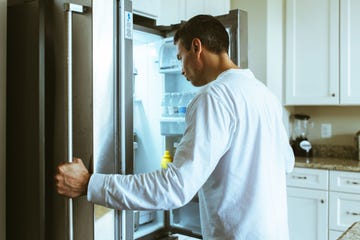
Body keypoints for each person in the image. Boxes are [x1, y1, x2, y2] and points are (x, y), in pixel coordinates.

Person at [55, 14, 295, 240]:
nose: (181, 70)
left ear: (197, 48)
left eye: (180, 57)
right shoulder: (266, 96)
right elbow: (287, 163)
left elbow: (175, 187)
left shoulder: (213, 97)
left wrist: (90, 183)